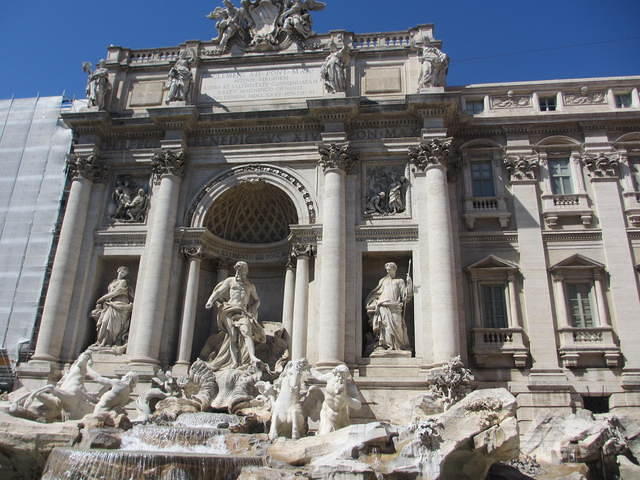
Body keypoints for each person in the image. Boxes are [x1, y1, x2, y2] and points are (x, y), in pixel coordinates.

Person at [205, 261, 266, 369]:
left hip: (242, 312)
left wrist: (253, 309)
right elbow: (218, 292)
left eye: (242, 270)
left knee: (246, 332)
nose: (239, 272)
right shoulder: (230, 281)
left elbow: (257, 300)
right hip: (229, 310)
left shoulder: (250, 286)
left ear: (245, 271)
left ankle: (252, 357)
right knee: (232, 336)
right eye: (238, 270)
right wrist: (210, 301)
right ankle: (234, 362)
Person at [365, 262, 413, 353]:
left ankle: (399, 347)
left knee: (398, 327)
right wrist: (375, 302)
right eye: (386, 269)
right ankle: (387, 346)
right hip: (383, 306)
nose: (387, 271)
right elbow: (377, 293)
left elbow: (405, 296)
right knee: (385, 326)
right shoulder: (383, 281)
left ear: (394, 269)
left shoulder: (400, 281)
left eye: (389, 269)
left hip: (395, 307)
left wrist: (409, 284)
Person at [92, 266, 134, 348]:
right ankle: (100, 342)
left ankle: (108, 343)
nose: (122, 274)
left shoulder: (123, 282)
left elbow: (116, 292)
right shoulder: (112, 282)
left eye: (124, 273)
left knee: (113, 325)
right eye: (122, 272)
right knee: (104, 322)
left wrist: (103, 298)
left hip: (120, 304)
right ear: (118, 271)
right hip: (110, 304)